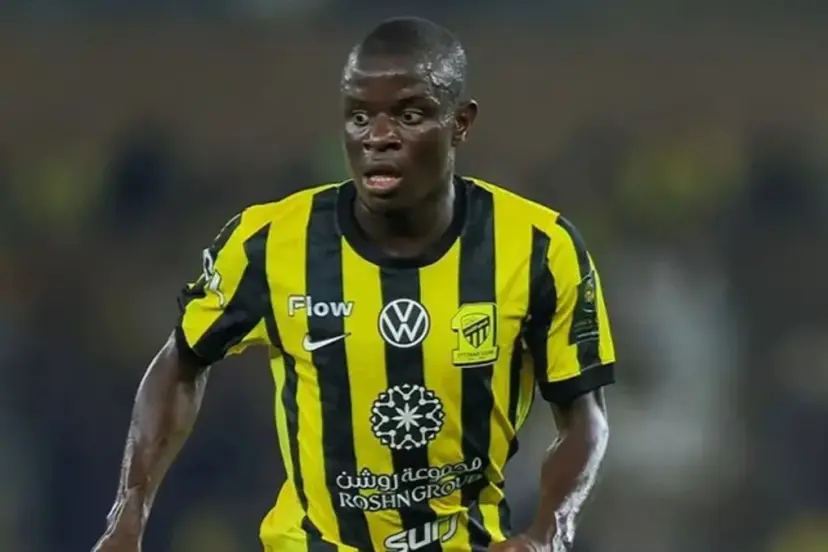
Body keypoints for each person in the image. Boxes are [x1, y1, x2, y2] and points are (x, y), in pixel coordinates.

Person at [92, 16, 615, 552]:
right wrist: (128, 514)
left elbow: (584, 417)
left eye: (409, 115)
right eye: (360, 116)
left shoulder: (539, 248)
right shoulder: (270, 242)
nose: (378, 137)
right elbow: (181, 361)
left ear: (460, 122)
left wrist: (549, 531)